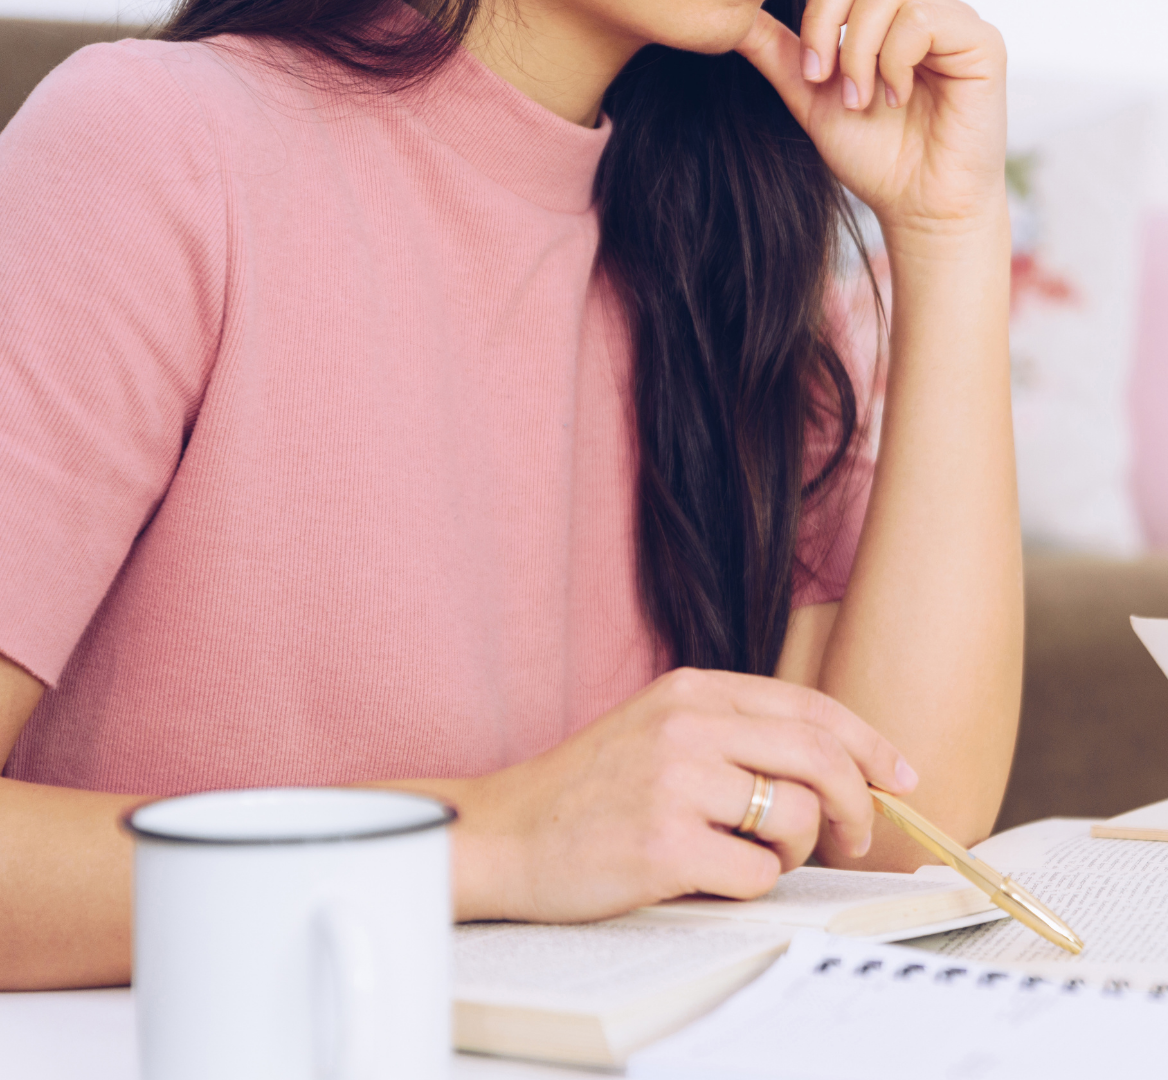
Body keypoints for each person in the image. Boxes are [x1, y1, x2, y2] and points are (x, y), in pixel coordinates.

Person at [0, 0, 1017, 990]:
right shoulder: (154, 148)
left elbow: (894, 827)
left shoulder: (728, 262)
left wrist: (946, 229)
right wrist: (496, 839)